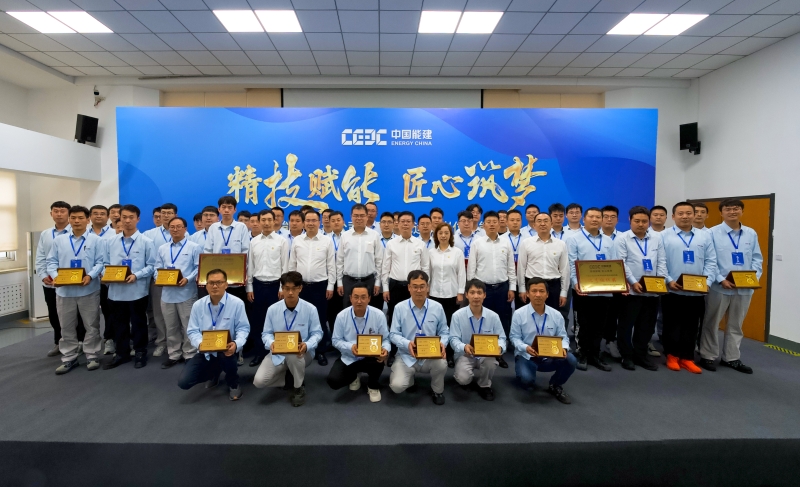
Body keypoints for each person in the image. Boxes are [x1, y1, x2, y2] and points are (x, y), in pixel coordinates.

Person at [699, 198, 763, 374]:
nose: (732, 212)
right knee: (712, 322)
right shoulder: (711, 233)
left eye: (736, 209)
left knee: (736, 325)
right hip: (720, 286)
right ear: (721, 213)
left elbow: (757, 258)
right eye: (728, 209)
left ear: (742, 211)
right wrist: (720, 279)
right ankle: (708, 355)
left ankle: (731, 358)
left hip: (744, 288)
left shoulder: (750, 233)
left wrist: (753, 278)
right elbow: (709, 260)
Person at [46, 206, 106, 374]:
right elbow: (51, 262)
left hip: (88, 290)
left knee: (91, 325)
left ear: (88, 220)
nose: (76, 221)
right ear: (69, 220)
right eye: (73, 218)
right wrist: (55, 277)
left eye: (80, 218)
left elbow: (101, 262)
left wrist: (91, 276)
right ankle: (69, 358)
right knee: (66, 326)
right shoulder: (59, 241)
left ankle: (92, 355)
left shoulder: (96, 240)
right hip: (64, 292)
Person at [661, 202, 716, 374]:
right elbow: (660, 262)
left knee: (692, 325)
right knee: (672, 324)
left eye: (688, 213)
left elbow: (711, 261)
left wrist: (707, 282)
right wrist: (668, 280)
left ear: (694, 215)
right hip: (673, 289)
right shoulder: (663, 236)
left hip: (696, 291)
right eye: (680, 213)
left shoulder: (705, 236)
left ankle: (687, 358)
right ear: (673, 216)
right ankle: (672, 355)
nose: (685, 216)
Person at [253, 271, 323, 407]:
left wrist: (307, 345)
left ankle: (298, 388)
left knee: (293, 355)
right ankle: (289, 377)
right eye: (286, 288)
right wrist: (271, 343)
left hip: (302, 353)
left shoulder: (310, 309)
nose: (290, 293)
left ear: (300, 288)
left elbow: (317, 333)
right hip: (278, 352)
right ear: (282, 289)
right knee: (259, 381)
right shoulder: (272, 309)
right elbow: (266, 333)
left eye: (294, 288)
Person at [179, 269, 249, 401]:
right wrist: (200, 344)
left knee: (226, 358)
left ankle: (233, 383)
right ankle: (214, 373)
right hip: (206, 351)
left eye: (219, 282)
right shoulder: (198, 305)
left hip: (228, 350)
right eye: (211, 283)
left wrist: (236, 344)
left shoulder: (237, 303)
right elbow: (192, 331)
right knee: (184, 382)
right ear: (206, 286)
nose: (215, 286)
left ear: (226, 285)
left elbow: (243, 329)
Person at [103, 205, 156, 370]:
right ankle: (121, 353)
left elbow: (152, 266)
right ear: (119, 218)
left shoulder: (146, 242)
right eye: (124, 217)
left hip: (137, 291)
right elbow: (104, 263)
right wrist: (107, 275)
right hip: (115, 291)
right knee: (119, 324)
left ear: (138, 219)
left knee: (139, 323)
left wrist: (136, 275)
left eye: (131, 217)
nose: (127, 221)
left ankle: (140, 352)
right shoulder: (110, 242)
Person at [615, 206, 668, 371]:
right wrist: (633, 282)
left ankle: (640, 355)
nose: (641, 224)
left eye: (644, 221)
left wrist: (660, 282)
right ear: (630, 220)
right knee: (626, 325)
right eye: (637, 221)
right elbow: (621, 263)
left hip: (652, 291)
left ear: (648, 222)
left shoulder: (656, 238)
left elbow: (662, 261)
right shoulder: (622, 239)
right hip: (631, 291)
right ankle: (626, 355)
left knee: (646, 326)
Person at [510, 277, 576, 404]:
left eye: (541, 291)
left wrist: (564, 348)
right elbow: (514, 337)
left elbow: (563, 337)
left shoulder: (556, 315)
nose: (538, 295)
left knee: (571, 360)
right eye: (534, 291)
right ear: (527, 294)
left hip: (550, 355)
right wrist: (525, 348)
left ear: (547, 294)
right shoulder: (519, 314)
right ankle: (525, 376)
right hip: (527, 356)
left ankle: (555, 384)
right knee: (526, 381)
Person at [567, 207, 617, 372]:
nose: (595, 220)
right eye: (591, 217)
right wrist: (575, 283)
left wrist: (617, 283)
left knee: (600, 325)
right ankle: (582, 353)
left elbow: (614, 264)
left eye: (598, 217)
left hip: (604, 290)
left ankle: (595, 355)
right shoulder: (574, 239)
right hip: (583, 290)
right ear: (584, 219)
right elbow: (571, 263)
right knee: (583, 324)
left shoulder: (609, 241)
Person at [389, 270, 449, 405]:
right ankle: (409, 380)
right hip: (406, 355)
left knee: (441, 363)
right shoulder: (400, 308)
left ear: (428, 287)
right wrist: (407, 343)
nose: (419, 290)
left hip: (431, 354)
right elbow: (393, 334)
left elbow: (444, 332)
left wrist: (443, 343)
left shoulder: (437, 307)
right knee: (397, 386)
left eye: (422, 286)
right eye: (415, 286)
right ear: (409, 288)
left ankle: (437, 390)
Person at [466, 211, 515, 369]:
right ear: (484, 225)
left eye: (495, 221)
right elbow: (471, 268)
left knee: (502, 320)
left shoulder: (506, 243)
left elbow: (510, 267)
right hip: (483, 288)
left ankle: (499, 353)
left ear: (500, 223)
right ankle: (481, 350)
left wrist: (512, 287)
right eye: (489, 222)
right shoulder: (477, 243)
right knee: (482, 319)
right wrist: (472, 289)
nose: (492, 224)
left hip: (502, 287)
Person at [381, 211, 430, 366]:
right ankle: (393, 350)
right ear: (398, 223)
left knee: (414, 317)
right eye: (402, 221)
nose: (405, 224)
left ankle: (415, 347)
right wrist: (385, 288)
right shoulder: (391, 244)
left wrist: (425, 288)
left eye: (408, 221)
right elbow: (385, 267)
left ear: (413, 224)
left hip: (415, 288)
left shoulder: (420, 244)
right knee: (394, 318)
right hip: (395, 286)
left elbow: (425, 267)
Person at [36, 201, 84, 357]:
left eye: (62, 211)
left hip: (74, 281)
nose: (59, 214)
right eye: (55, 211)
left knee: (78, 314)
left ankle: (80, 342)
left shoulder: (78, 232)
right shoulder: (45, 234)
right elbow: (41, 257)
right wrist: (43, 275)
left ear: (69, 214)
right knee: (54, 313)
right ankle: (59, 341)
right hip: (52, 282)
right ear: (51, 214)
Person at [327, 284, 390, 403]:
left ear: (369, 298)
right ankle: (354, 376)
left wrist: (385, 350)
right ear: (350, 298)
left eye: (363, 297)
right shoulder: (341, 316)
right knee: (333, 381)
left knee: (379, 361)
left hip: (371, 357)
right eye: (356, 297)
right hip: (350, 356)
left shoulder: (378, 315)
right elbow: (335, 340)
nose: (359, 301)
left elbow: (386, 339)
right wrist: (350, 347)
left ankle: (372, 386)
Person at [288, 209, 335, 366]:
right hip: (301, 287)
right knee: (299, 318)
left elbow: (331, 265)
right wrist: (291, 286)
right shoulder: (297, 240)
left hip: (320, 286)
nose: (310, 223)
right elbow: (292, 264)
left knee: (320, 319)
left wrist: (330, 286)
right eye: (307, 220)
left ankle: (320, 350)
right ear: (303, 223)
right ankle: (300, 347)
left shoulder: (326, 241)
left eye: (314, 220)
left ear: (319, 222)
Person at [156, 216, 201, 369]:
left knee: (188, 325)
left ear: (185, 229)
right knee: (171, 326)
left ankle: (189, 354)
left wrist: (187, 279)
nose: (175, 229)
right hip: (167, 294)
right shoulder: (162, 248)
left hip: (186, 292)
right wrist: (159, 278)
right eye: (172, 227)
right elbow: (157, 268)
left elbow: (198, 268)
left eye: (178, 226)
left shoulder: (194, 247)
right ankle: (174, 354)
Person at [450, 279, 506, 401]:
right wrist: (464, 346)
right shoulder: (457, 316)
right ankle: (465, 376)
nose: (476, 296)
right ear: (466, 295)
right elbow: (453, 339)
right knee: (463, 380)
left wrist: (500, 347)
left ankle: (484, 385)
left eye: (479, 293)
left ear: (484, 295)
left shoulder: (493, 316)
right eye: (472, 292)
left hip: (486, 354)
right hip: (465, 354)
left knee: (490, 362)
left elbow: (502, 338)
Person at [246, 209, 288, 367]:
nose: (266, 223)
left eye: (269, 219)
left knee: (277, 320)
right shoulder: (254, 241)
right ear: (258, 222)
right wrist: (249, 287)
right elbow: (250, 266)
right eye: (263, 220)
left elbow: (285, 266)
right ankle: (260, 352)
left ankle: (278, 352)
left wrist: (282, 287)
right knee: (258, 321)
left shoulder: (282, 241)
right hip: (258, 285)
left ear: (274, 220)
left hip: (275, 286)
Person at [428, 222, 465, 368]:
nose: (443, 235)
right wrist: (427, 291)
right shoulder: (431, 253)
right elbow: (428, 273)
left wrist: (460, 292)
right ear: (436, 235)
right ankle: (434, 351)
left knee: (450, 325)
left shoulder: (457, 253)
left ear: (451, 235)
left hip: (451, 295)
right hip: (434, 294)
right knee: (435, 324)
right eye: (440, 233)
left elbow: (461, 274)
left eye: (446, 233)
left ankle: (449, 354)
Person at [144, 202, 178, 357]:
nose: (165, 216)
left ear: (175, 215)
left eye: (169, 213)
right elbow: (148, 260)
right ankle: (162, 341)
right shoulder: (149, 235)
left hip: (178, 281)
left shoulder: (183, 233)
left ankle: (177, 342)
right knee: (158, 312)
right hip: (158, 280)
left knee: (178, 313)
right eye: (163, 213)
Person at [517, 212, 569, 311]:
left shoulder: (561, 244)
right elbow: (521, 268)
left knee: (552, 315)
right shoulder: (526, 243)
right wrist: (522, 288)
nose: (542, 224)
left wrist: (564, 292)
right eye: (539, 221)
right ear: (534, 225)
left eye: (546, 221)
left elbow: (564, 269)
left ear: (551, 224)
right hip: (532, 285)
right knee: (531, 314)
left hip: (553, 286)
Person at [337, 204, 382, 308]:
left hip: (369, 280)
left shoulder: (374, 235)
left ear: (367, 216)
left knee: (369, 310)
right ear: (351, 217)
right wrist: (339, 282)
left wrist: (377, 282)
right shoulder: (345, 236)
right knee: (348, 310)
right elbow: (340, 261)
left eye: (362, 215)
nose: (359, 218)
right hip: (349, 281)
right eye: (356, 215)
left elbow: (379, 261)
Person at [88, 205, 115, 355]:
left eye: (102, 214)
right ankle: (86, 342)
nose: (99, 216)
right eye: (95, 213)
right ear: (89, 217)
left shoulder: (114, 234)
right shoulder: (84, 234)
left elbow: (112, 258)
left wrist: (105, 273)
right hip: (86, 281)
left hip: (106, 281)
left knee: (108, 311)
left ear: (108, 216)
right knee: (88, 315)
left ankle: (109, 339)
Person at [600, 205, 623, 359]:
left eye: (612, 217)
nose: (609, 219)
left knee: (614, 313)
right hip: (596, 282)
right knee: (596, 315)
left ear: (617, 219)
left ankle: (610, 341)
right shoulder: (592, 236)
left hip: (616, 282)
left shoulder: (623, 237)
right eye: (606, 216)